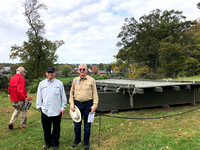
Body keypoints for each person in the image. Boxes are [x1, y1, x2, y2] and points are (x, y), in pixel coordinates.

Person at [36, 67, 67, 150]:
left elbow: (63, 97)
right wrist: (39, 107)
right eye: (48, 72)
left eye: (52, 72)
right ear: (46, 73)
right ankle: (48, 143)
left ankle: (55, 143)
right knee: (46, 129)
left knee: (56, 129)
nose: (50, 74)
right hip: (45, 111)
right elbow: (39, 96)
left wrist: (62, 108)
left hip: (57, 111)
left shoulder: (59, 84)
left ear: (54, 73)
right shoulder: (41, 84)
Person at [69, 64, 99, 150]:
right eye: (80, 69)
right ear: (78, 70)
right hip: (77, 105)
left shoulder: (91, 80)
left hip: (88, 105)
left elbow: (95, 94)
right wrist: (71, 104)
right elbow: (71, 94)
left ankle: (86, 143)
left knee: (87, 125)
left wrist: (94, 105)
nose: (82, 71)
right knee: (76, 125)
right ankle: (77, 141)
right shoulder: (75, 80)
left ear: (86, 70)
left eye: (83, 69)